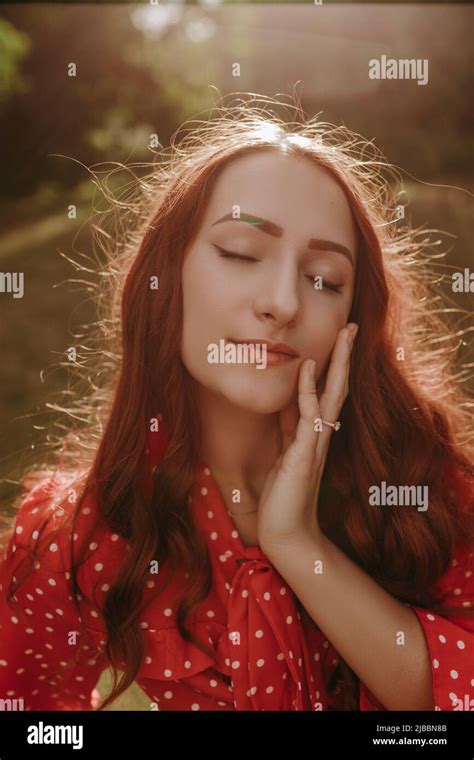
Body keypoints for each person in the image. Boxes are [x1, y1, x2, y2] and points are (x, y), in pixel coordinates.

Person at [0, 95, 472, 712]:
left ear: (352, 321)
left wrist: (298, 544)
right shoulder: (73, 534)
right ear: (166, 277)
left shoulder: (421, 490)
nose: (284, 302)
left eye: (325, 280)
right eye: (241, 253)